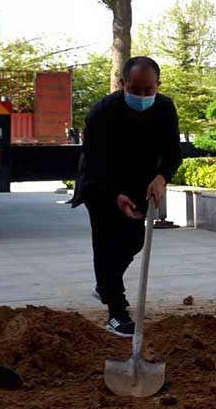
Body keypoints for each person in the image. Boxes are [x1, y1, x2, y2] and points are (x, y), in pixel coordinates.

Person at [71, 57, 181, 337]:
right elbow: (94, 162)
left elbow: (173, 153)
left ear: (158, 85)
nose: (142, 96)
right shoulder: (102, 112)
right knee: (107, 244)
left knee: (133, 240)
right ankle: (116, 311)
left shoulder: (165, 108)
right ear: (122, 83)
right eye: (134, 89)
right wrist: (113, 196)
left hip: (139, 183)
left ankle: (105, 284)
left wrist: (161, 178)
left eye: (148, 90)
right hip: (100, 185)